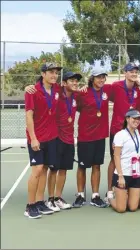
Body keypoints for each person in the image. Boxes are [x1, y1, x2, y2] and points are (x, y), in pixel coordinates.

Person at [24, 62, 62, 218]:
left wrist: (81, 88)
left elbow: (71, 88)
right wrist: (33, 138)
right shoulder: (32, 91)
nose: (54, 75)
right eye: (51, 72)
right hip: (37, 138)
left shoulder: (57, 89)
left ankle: (40, 202)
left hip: (51, 137)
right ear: (43, 74)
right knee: (37, 170)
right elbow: (28, 115)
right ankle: (30, 205)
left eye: (56, 72)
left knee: (45, 168)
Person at [73, 68, 113, 208]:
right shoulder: (82, 93)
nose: (101, 80)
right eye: (98, 77)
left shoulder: (107, 91)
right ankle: (80, 195)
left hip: (100, 135)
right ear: (92, 79)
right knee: (82, 166)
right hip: (85, 135)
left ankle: (95, 195)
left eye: (103, 77)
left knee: (97, 166)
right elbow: (76, 107)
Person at [105, 63, 140, 203]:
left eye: (135, 72)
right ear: (125, 73)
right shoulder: (116, 86)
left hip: (132, 131)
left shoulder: (137, 89)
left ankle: (130, 187)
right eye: (131, 71)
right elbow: (99, 88)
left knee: (132, 157)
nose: (133, 74)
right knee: (114, 159)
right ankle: (109, 190)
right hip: (117, 129)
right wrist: (86, 86)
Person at [45, 71, 82, 211]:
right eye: (71, 80)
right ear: (64, 83)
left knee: (64, 169)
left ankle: (58, 198)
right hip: (56, 138)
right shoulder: (56, 92)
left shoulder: (76, 95)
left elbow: (89, 91)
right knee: (53, 169)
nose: (74, 83)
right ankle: (50, 199)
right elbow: (43, 86)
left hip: (69, 138)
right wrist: (28, 87)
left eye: (76, 81)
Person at [109, 109, 140, 213]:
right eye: (134, 118)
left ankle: (124, 198)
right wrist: (120, 176)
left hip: (136, 175)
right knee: (121, 209)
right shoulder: (120, 135)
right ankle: (110, 199)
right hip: (123, 175)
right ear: (127, 119)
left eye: (138, 119)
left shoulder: (138, 133)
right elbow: (116, 156)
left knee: (133, 208)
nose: (137, 121)